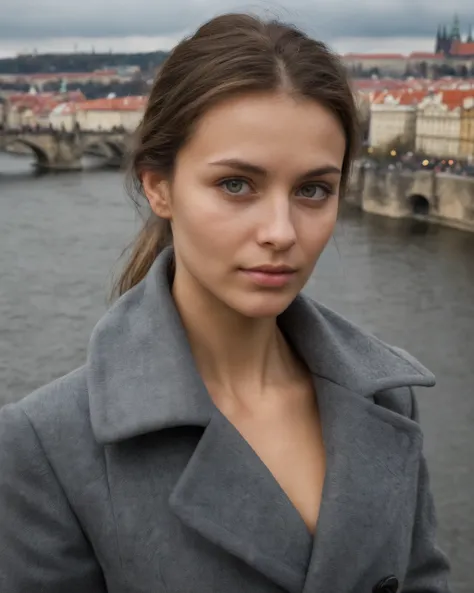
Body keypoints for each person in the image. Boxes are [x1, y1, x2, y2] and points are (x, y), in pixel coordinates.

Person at [0, 13, 450, 593]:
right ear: (157, 186)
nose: (281, 231)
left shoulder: (386, 395)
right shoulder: (45, 444)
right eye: (237, 184)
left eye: (313, 190)